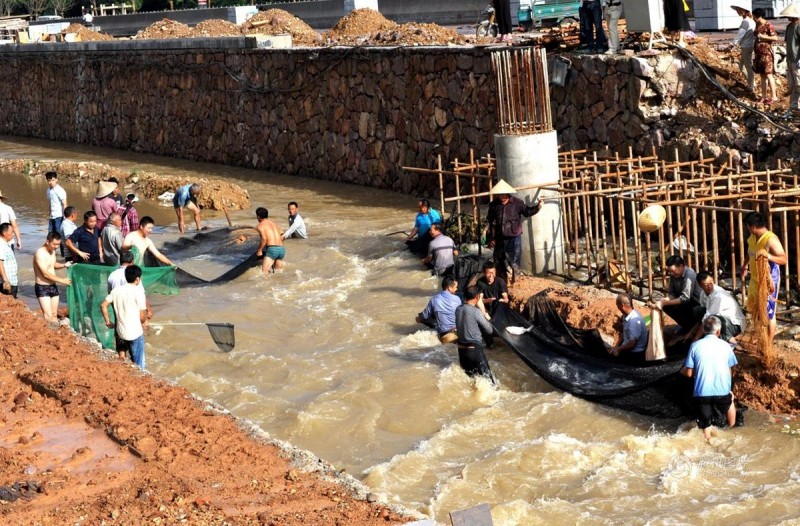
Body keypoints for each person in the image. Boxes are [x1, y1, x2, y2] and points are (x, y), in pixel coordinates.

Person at [680, 316, 738, 441]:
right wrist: (728, 388)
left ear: (704, 330)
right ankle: (733, 429)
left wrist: (682, 371)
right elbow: (731, 369)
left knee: (706, 423)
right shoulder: (726, 346)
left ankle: (708, 440)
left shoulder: (695, 346)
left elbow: (689, 373)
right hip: (722, 392)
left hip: (702, 393)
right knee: (730, 402)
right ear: (718, 331)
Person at [741, 211, 788, 346]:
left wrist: (769, 256)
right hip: (755, 279)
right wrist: (745, 265)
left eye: (747, 226)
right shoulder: (752, 237)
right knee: (756, 309)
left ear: (752, 226)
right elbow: (750, 251)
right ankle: (760, 335)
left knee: (768, 313)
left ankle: (768, 343)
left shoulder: (770, 240)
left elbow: (783, 259)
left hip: (768, 282)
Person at [485, 179, 541, 283]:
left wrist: (537, 207)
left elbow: (527, 212)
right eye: (499, 195)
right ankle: (502, 282)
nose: (501, 197)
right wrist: (487, 231)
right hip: (500, 237)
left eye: (503, 195)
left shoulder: (517, 203)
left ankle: (516, 281)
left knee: (514, 261)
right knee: (498, 260)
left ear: (508, 194)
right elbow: (489, 219)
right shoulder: (494, 205)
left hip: (514, 236)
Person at [101, 265, 147, 369]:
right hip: (135, 333)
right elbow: (142, 318)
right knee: (139, 364)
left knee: (122, 356)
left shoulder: (116, 290)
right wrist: (143, 322)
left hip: (120, 331)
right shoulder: (138, 292)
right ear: (137, 279)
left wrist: (108, 321)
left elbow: (103, 305)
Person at [690, 272, 746, 344]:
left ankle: (731, 341)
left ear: (713, 279)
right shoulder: (703, 294)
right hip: (722, 321)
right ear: (700, 285)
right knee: (698, 310)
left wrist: (696, 338)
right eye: (706, 285)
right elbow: (703, 317)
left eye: (711, 282)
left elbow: (706, 318)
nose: (709, 286)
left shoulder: (718, 295)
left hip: (734, 325)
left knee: (714, 318)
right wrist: (691, 333)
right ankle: (707, 336)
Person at [653, 255, 704, 333]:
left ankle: (694, 327)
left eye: (673, 271)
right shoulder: (673, 275)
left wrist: (665, 302)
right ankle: (686, 326)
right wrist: (663, 301)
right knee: (667, 306)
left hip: (696, 303)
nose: (671, 273)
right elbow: (672, 294)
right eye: (670, 271)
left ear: (681, 266)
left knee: (694, 310)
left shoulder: (689, 274)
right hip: (684, 303)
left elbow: (685, 298)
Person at [108, 251, 154, 332]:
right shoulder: (133, 274)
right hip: (132, 311)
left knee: (120, 332)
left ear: (120, 261)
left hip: (118, 310)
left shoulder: (112, 275)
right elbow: (141, 295)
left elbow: (110, 296)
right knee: (136, 333)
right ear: (132, 261)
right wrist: (148, 310)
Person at [455, 286, 496, 380]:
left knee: (472, 380)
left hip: (461, 351)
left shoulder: (458, 309)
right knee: (489, 383)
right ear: (477, 297)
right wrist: (485, 314)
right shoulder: (476, 312)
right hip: (474, 350)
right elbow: (489, 330)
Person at [33, 232, 72, 322]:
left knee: (54, 315)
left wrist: (64, 265)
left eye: (58, 244)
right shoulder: (40, 253)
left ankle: (56, 333)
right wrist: (62, 280)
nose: (56, 247)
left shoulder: (52, 251)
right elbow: (45, 274)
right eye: (54, 244)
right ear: (48, 242)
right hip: (42, 287)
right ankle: (49, 333)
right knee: (48, 315)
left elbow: (53, 265)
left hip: (53, 286)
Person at [416, 276, 462, 344]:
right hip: (459, 332)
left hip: (446, 335)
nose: (457, 289)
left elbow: (424, 316)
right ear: (449, 288)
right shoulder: (457, 299)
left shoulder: (434, 299)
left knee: (423, 317)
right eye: (455, 287)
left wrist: (418, 318)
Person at [609, 293, 649, 362]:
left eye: (617, 305)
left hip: (635, 353)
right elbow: (624, 333)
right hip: (627, 348)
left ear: (622, 305)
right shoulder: (626, 315)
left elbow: (632, 344)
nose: (617, 308)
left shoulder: (634, 321)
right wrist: (617, 346)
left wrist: (619, 349)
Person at [753, 8, 779, 105]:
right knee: (762, 76)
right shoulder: (757, 25)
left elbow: (775, 37)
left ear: (757, 16)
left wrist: (763, 37)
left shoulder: (768, 25)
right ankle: (764, 97)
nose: (754, 19)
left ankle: (774, 97)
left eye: (754, 17)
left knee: (768, 74)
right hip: (759, 54)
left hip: (766, 54)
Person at [731, 5, 756, 94]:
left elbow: (740, 35)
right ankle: (752, 82)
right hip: (747, 46)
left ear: (744, 11)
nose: (738, 11)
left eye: (739, 10)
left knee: (748, 67)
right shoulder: (750, 21)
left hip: (747, 46)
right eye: (737, 10)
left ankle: (751, 86)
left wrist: (732, 45)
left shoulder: (746, 22)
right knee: (742, 66)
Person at [782, 4, 800, 118]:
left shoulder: (798, 27)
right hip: (790, 59)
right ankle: (793, 108)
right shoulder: (789, 27)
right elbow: (788, 43)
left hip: (796, 59)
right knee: (792, 85)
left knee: (799, 84)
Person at [255, 207, 285, 275]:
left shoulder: (260, 225)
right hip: (281, 249)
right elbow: (283, 235)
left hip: (272, 249)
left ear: (258, 216)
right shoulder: (274, 223)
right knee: (279, 274)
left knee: (264, 273)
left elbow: (264, 238)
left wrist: (259, 250)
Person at [45, 172, 67, 255]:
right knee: (50, 235)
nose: (51, 182)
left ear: (56, 180)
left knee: (59, 236)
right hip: (52, 217)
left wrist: (65, 217)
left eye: (53, 180)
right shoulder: (48, 190)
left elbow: (64, 204)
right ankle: (49, 253)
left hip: (59, 216)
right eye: (49, 180)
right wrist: (49, 214)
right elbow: (50, 203)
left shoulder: (60, 190)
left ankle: (64, 254)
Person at [0, 223, 18, 298]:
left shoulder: (5, 244)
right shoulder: (1, 245)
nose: (13, 234)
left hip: (11, 281)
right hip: (7, 282)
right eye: (12, 232)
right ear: (4, 233)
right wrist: (5, 280)